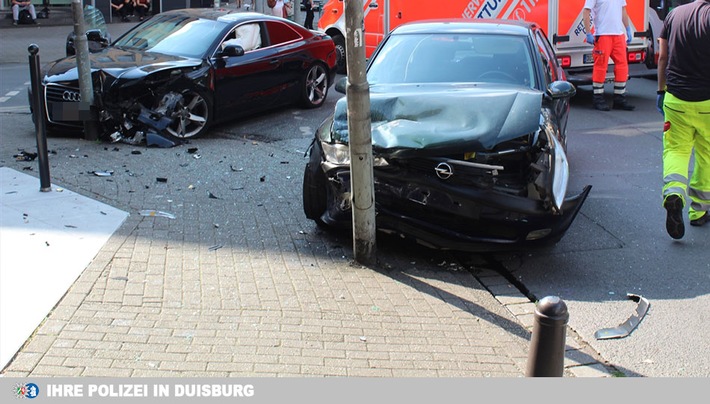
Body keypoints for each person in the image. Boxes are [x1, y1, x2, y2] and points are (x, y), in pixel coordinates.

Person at [656, 0, 710, 239]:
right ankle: (698, 211)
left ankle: (673, 194)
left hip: (675, 99)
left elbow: (662, 57)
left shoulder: (674, 15)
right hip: (707, 102)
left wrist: (660, 91)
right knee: (706, 155)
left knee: (676, 151)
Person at [582, 0, 635, 111]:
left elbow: (623, 10)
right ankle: (598, 99)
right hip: (603, 34)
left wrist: (628, 28)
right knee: (601, 67)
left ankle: (619, 99)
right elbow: (586, 11)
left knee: (622, 67)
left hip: (618, 35)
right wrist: (588, 32)